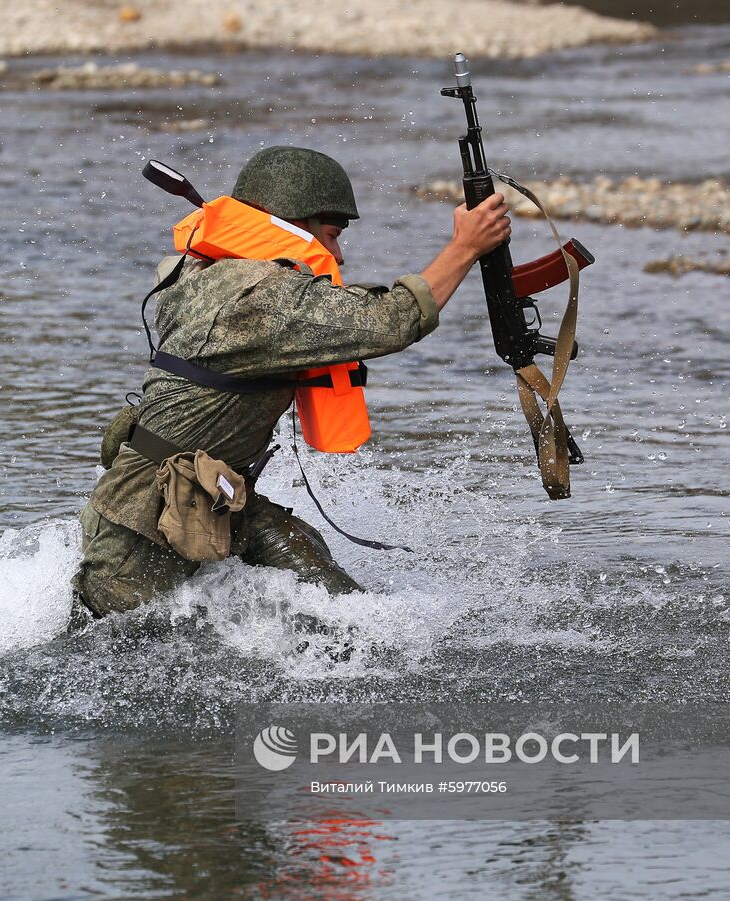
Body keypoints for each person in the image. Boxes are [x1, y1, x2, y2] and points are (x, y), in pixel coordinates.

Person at [72, 146, 510, 628]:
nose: (338, 253)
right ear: (294, 225)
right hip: (141, 531)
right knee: (130, 656)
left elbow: (326, 307)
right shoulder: (260, 296)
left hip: (205, 496)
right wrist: (466, 248)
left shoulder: (211, 273)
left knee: (341, 603)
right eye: (331, 236)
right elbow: (391, 321)